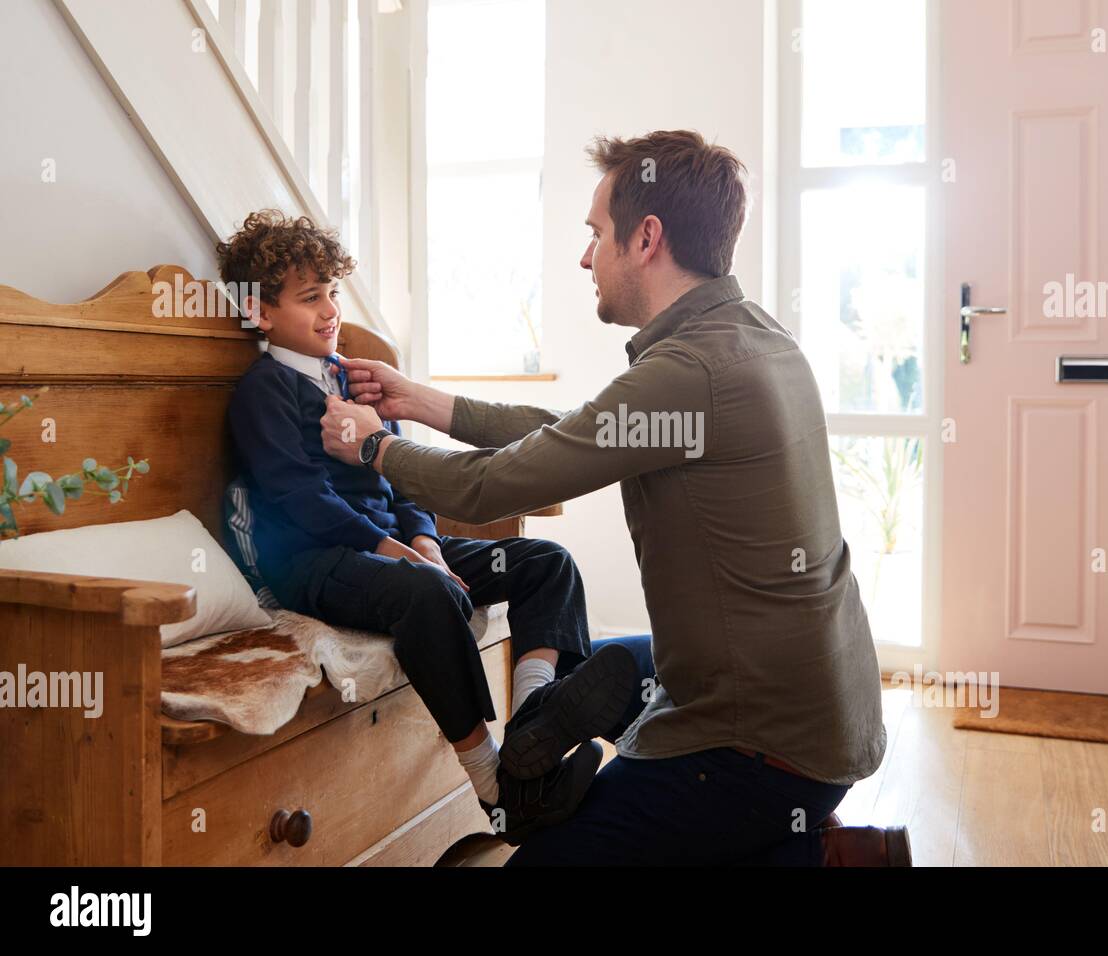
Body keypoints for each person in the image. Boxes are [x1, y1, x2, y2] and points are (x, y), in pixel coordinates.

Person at [321, 131, 910, 866]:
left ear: (647, 238)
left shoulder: (689, 371)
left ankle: (802, 853)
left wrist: (375, 445)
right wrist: (430, 405)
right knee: (590, 672)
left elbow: (490, 486)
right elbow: (581, 431)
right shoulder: (754, 337)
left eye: (595, 233)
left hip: (757, 744)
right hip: (828, 710)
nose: (584, 256)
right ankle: (786, 845)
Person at [218, 209, 642, 846]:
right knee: (430, 592)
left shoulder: (349, 376)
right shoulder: (264, 392)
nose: (331, 310)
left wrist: (422, 541)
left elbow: (397, 473)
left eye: (332, 291)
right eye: (310, 298)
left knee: (545, 564)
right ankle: (496, 786)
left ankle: (535, 725)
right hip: (320, 562)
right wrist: (404, 556)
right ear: (260, 312)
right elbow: (299, 499)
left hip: (397, 549)